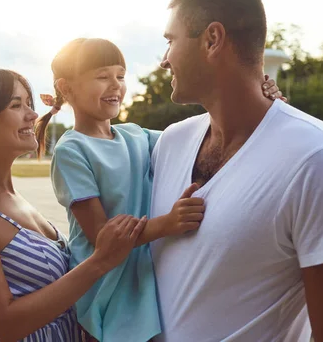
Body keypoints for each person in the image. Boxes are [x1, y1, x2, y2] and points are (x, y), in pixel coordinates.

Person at [35, 38, 282, 341]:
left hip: (143, 277)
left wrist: (257, 100)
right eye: (102, 77)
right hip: (105, 286)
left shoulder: (137, 136)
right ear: (67, 87)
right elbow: (103, 237)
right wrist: (169, 223)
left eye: (120, 76)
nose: (115, 85)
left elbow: (207, 134)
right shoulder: (72, 150)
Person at [151, 0, 323, 342]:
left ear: (212, 39)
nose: (164, 59)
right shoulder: (170, 143)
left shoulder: (316, 158)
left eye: (170, 41)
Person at [0, 66, 148, 342]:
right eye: (16, 105)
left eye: (29, 103)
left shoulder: (16, 200)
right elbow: (5, 325)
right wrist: (100, 261)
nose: (33, 114)